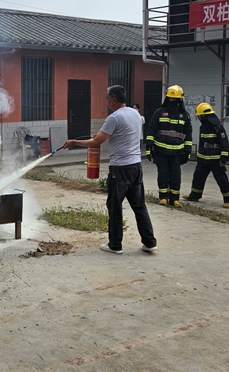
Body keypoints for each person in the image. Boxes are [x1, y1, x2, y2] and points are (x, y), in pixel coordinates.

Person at [62, 85, 158, 254]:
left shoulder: (114, 117)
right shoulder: (135, 114)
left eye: (107, 98)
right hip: (136, 166)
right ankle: (150, 242)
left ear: (113, 99)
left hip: (120, 169)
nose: (106, 101)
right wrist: (100, 135)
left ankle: (115, 244)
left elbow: (95, 142)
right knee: (139, 206)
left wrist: (73, 142)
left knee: (114, 206)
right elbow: (120, 133)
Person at [145, 85, 193, 206]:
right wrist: (149, 147)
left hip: (177, 152)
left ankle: (175, 199)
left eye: (174, 99)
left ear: (180, 100)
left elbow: (188, 135)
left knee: (176, 176)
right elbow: (151, 130)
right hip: (160, 150)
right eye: (170, 98)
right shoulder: (159, 112)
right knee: (163, 174)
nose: (172, 101)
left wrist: (187, 151)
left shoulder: (185, 116)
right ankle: (163, 198)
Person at [183, 102, 229, 208]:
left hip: (216, 160)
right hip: (203, 158)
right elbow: (201, 142)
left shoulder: (218, 127)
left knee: (221, 179)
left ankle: (228, 200)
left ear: (205, 116)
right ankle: (195, 195)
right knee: (198, 177)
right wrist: (199, 156)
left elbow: (225, 143)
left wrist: (223, 158)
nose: (199, 118)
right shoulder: (203, 127)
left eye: (200, 116)